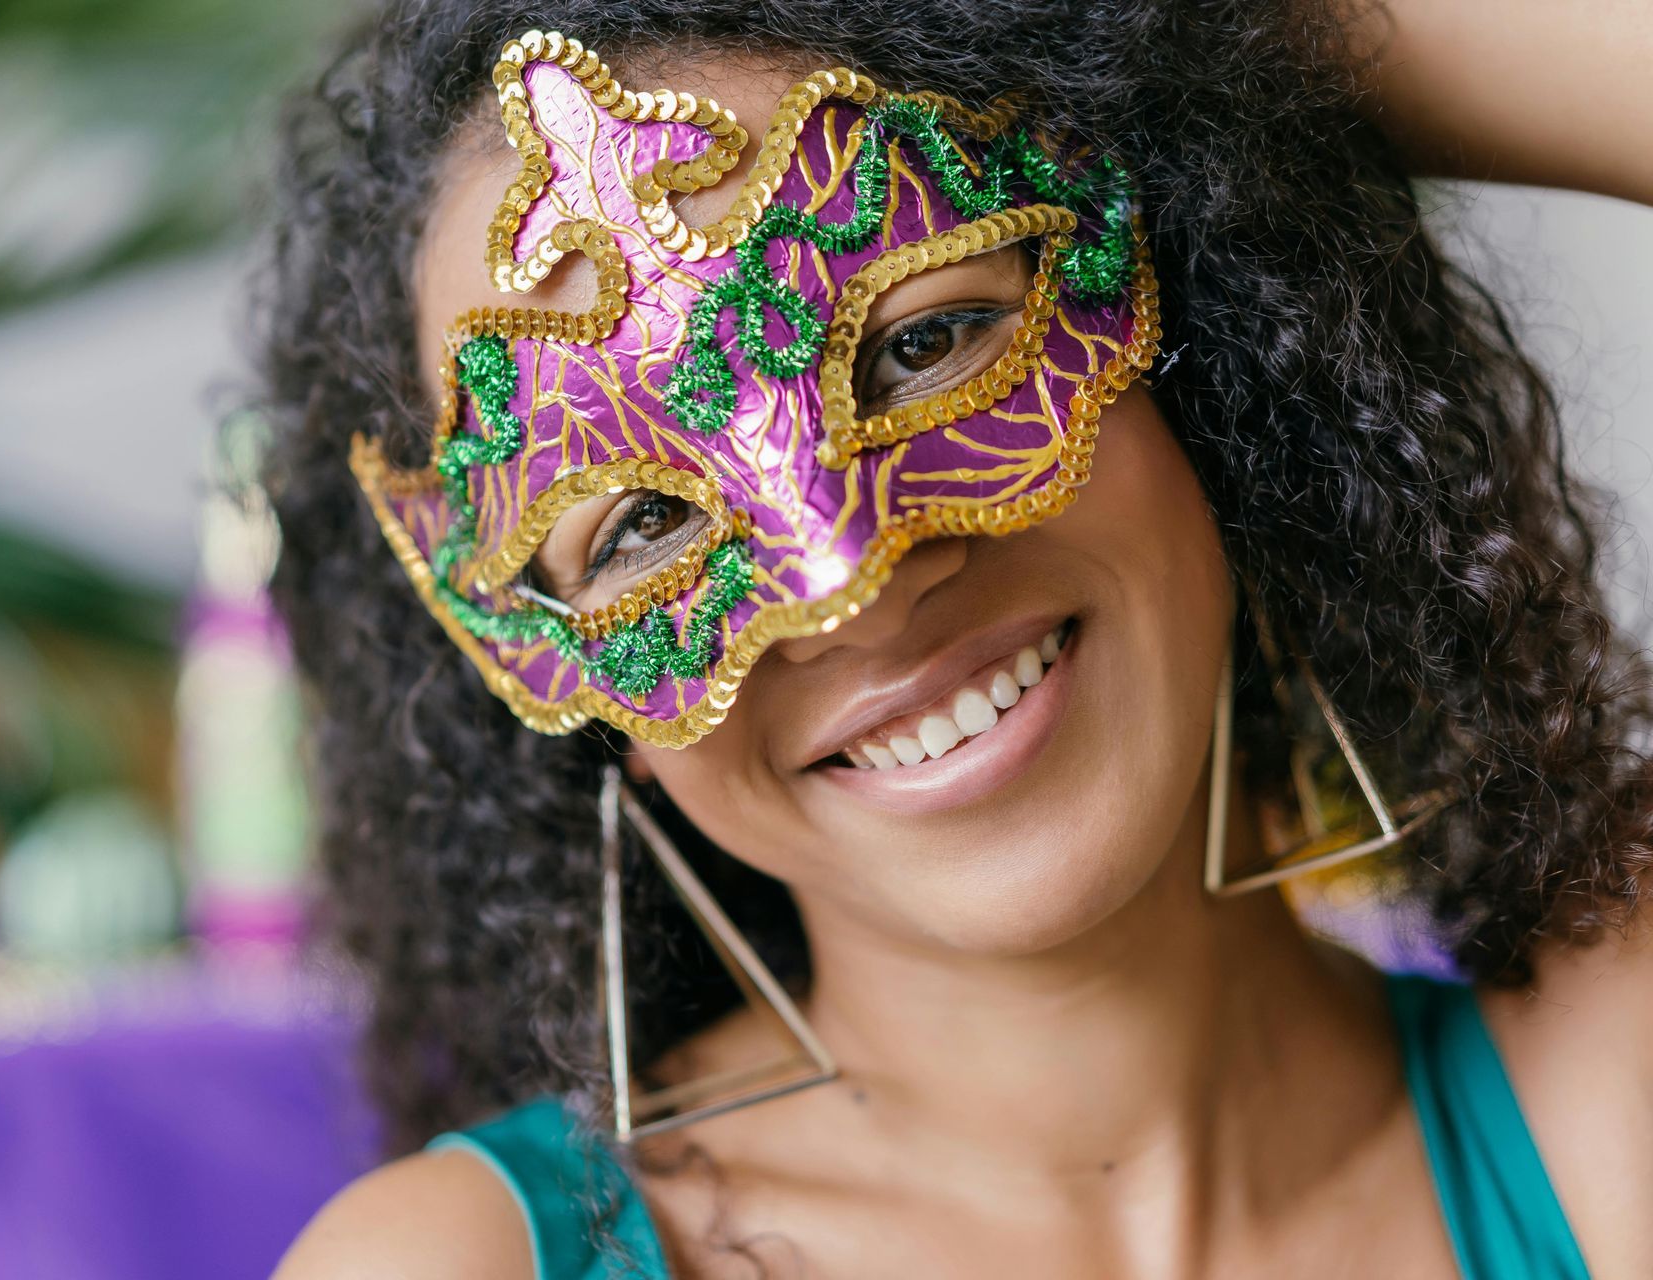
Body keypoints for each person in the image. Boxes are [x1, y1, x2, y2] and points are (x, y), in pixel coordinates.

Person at [262, 0, 1653, 1274]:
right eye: (640, 528)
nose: (853, 579)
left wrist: (1171, 42)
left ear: (1202, 325)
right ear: (536, 660)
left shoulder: (1609, 1107)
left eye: (921, 345)